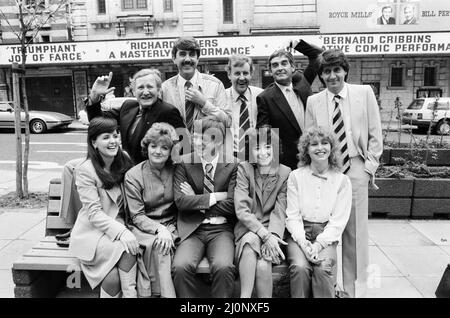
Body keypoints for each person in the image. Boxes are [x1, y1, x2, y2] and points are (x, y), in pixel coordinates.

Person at [305, 49, 383, 298]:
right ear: (321, 75)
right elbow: (309, 139)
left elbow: (375, 134)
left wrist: (369, 167)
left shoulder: (364, 93)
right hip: (327, 171)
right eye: (327, 71)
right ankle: (330, 285)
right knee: (326, 229)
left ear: (345, 71)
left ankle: (349, 289)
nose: (332, 76)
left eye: (337, 70)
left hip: (356, 168)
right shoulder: (314, 101)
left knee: (354, 232)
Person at [68, 117, 138, 298]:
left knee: (113, 278)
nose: (113, 141)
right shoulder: (85, 170)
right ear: (94, 142)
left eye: (115, 135)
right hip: (92, 233)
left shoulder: (124, 159)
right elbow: (94, 214)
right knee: (128, 248)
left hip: (120, 226)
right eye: (106, 137)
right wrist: (122, 232)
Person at [172, 117, 238, 298]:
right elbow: (181, 202)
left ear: (218, 141)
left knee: (224, 267)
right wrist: (215, 197)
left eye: (205, 138)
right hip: (193, 228)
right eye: (196, 136)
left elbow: (232, 205)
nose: (198, 142)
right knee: (180, 267)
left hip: (221, 230)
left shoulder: (232, 164)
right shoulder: (184, 162)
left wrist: (196, 200)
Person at [286, 126, 352, 298]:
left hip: (325, 234)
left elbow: (338, 221)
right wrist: (303, 242)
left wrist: (318, 245)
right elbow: (292, 216)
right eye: (314, 144)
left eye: (325, 143)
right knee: (300, 268)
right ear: (307, 150)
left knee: (323, 268)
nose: (320, 148)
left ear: (332, 148)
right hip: (299, 234)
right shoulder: (295, 177)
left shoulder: (342, 181)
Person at [233, 126, 290, 298]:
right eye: (257, 148)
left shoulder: (285, 173)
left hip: (273, 231)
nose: (263, 153)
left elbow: (280, 211)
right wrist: (263, 234)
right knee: (250, 242)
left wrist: (271, 236)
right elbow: (242, 209)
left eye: (267, 147)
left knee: (264, 265)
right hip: (247, 229)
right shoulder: (244, 169)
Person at [124, 122, 180, 298]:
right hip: (144, 228)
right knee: (161, 246)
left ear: (171, 151)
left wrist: (167, 228)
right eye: (153, 146)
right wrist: (159, 229)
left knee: (169, 248)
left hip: (172, 225)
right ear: (146, 147)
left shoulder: (177, 170)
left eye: (164, 148)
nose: (158, 151)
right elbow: (136, 215)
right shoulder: (134, 175)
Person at [85, 69, 185, 164]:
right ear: (133, 91)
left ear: (158, 90)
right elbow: (98, 121)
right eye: (141, 87)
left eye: (150, 87)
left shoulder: (168, 111)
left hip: (154, 175)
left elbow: (186, 145)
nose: (145, 92)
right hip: (127, 173)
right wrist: (94, 96)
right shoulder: (128, 106)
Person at [257, 39, 322, 170]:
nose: (280, 68)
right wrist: (268, 170)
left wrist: (297, 43)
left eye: (284, 63)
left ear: (292, 67)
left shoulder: (302, 81)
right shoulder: (265, 98)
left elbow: (318, 56)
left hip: (317, 156)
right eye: (275, 65)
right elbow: (263, 136)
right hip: (289, 165)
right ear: (270, 71)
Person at [161, 36, 232, 133]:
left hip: (206, 146)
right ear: (174, 59)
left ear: (197, 59)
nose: (187, 59)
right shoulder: (165, 89)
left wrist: (204, 104)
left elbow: (227, 121)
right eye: (182, 54)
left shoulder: (215, 85)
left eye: (192, 54)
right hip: (177, 146)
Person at [225, 54, 263, 159]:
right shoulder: (221, 97)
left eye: (245, 73)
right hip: (230, 155)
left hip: (257, 155)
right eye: (237, 73)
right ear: (229, 74)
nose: (242, 78)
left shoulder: (261, 95)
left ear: (251, 74)